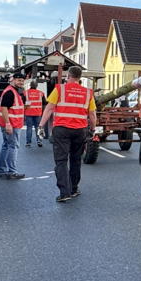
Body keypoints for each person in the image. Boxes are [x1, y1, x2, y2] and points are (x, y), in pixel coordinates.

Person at [39, 66, 97, 202]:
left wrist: (41, 125)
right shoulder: (88, 92)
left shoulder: (60, 89)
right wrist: (93, 129)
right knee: (76, 160)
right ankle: (74, 189)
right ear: (80, 77)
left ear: (68, 76)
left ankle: (64, 192)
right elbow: (92, 114)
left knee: (61, 161)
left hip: (61, 129)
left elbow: (49, 108)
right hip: (80, 130)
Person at [0, 72, 28, 179]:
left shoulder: (14, 91)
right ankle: (11, 171)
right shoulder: (10, 92)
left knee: (6, 146)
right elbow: (4, 108)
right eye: (18, 80)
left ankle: (3, 170)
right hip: (11, 124)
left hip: (11, 123)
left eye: (22, 81)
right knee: (13, 146)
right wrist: (8, 124)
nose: (21, 82)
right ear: (13, 80)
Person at [23, 80, 45, 147]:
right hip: (38, 113)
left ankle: (28, 143)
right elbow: (44, 103)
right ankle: (39, 141)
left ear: (30, 86)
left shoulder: (25, 93)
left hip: (28, 113)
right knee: (39, 127)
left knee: (29, 128)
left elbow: (23, 103)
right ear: (36, 86)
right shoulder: (41, 93)